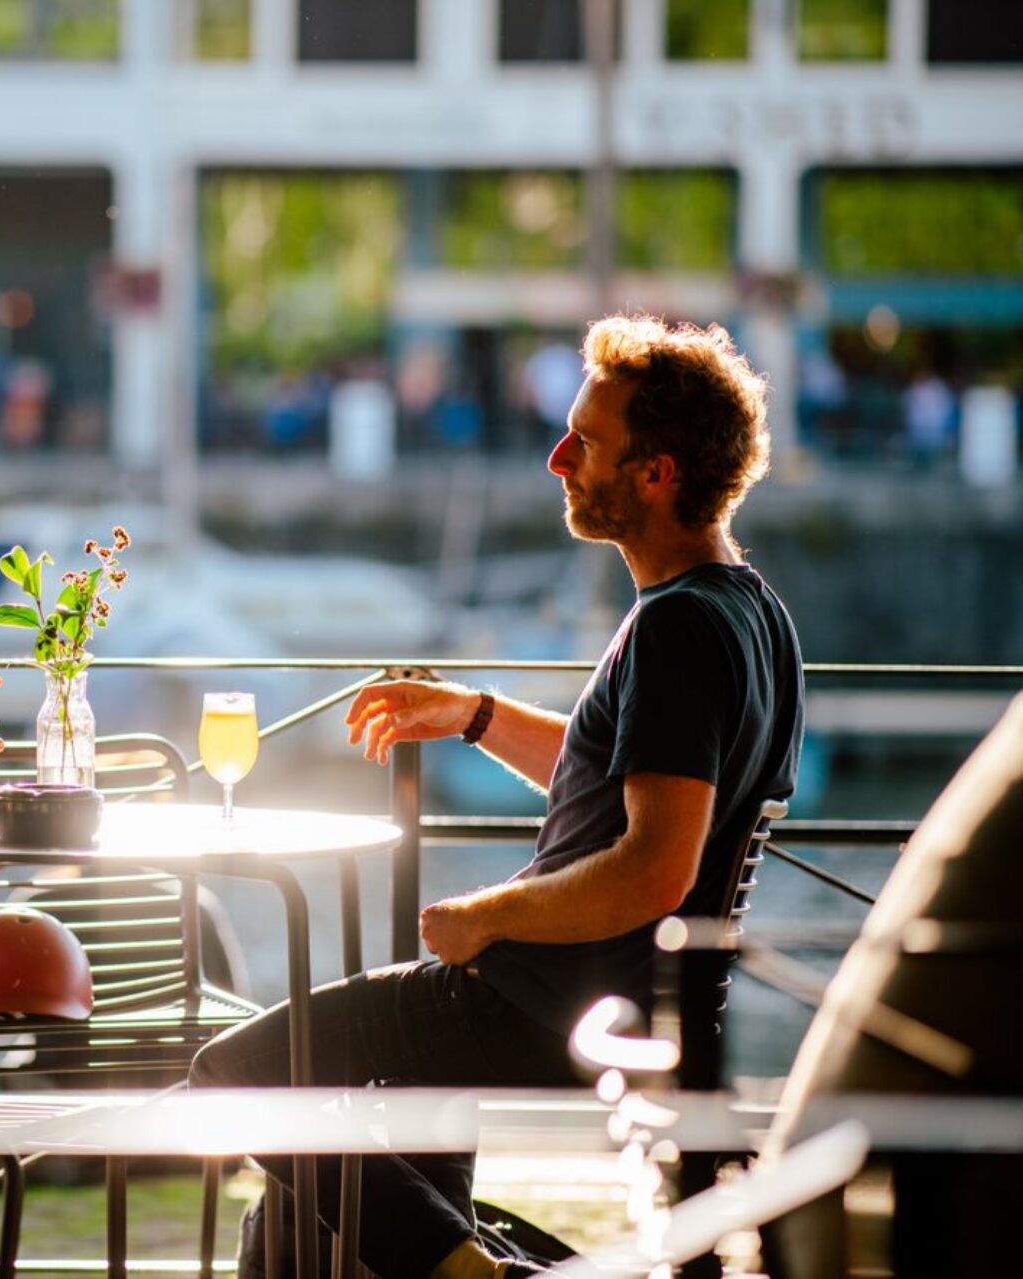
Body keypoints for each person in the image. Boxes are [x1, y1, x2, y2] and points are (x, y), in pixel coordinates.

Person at [192, 316, 805, 1279]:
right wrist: (475, 713)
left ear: (658, 473)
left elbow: (655, 864)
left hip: (547, 1000)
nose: (558, 457)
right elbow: (629, 775)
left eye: (587, 443)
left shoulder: (676, 630)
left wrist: (486, 915)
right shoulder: (749, 609)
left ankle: (484, 1276)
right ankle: (454, 1257)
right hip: (648, 999)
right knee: (353, 1158)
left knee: (234, 1075)